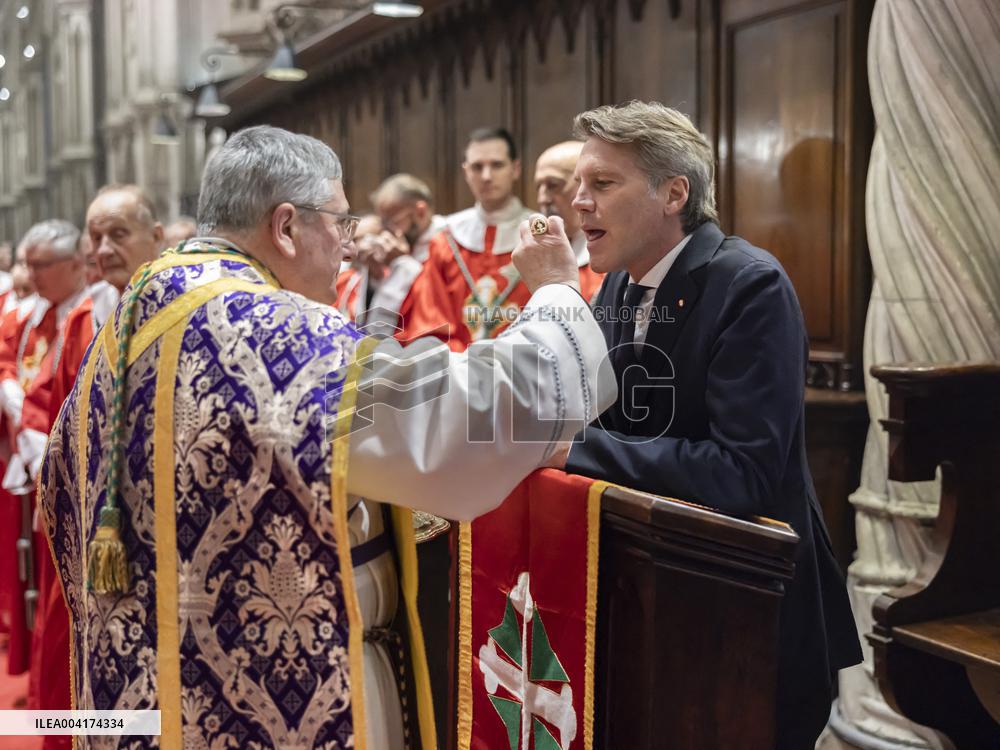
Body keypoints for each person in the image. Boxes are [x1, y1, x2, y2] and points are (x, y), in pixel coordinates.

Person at [38, 125, 614, 749]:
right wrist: (558, 289)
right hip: (264, 712)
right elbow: (469, 418)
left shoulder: (126, 327)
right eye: (340, 224)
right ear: (286, 227)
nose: (345, 248)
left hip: (141, 705)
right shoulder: (268, 331)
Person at [554, 101, 861, 749]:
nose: (578, 203)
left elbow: (740, 475)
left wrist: (572, 450)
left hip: (749, 622)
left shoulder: (749, 285)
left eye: (602, 184)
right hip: (657, 606)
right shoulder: (616, 287)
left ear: (674, 193)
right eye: (578, 185)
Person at [397, 127, 533, 349]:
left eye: (497, 165)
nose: (487, 176)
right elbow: (430, 323)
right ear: (465, 171)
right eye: (477, 167)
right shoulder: (446, 239)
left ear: (515, 169)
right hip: (457, 371)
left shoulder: (540, 236)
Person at [362, 174, 447, 332]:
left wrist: (402, 262)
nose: (386, 230)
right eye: (382, 222)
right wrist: (376, 276)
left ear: (420, 212)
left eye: (392, 222)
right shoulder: (399, 245)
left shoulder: (450, 243)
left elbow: (437, 300)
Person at [534, 140, 605, 302]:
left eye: (553, 185)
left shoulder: (615, 261)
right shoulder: (534, 257)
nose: (542, 199)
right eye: (538, 187)